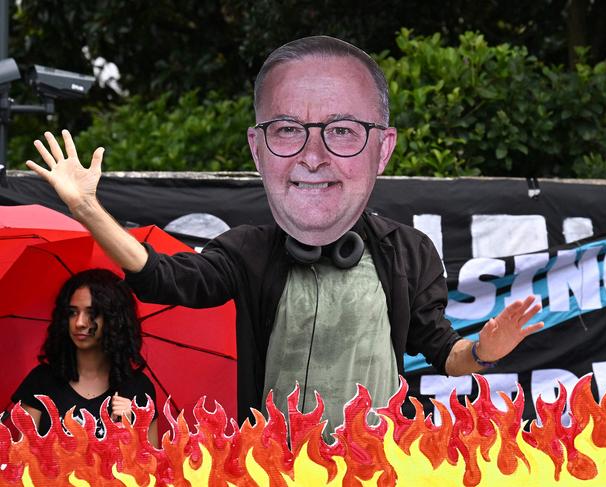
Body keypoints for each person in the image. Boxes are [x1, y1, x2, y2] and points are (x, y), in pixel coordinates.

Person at [25, 36, 543, 434]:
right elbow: (163, 277)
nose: (313, 157)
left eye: (341, 131)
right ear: (259, 148)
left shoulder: (407, 253)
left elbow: (443, 352)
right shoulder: (248, 251)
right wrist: (87, 209)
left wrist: (483, 352)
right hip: (274, 464)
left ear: (382, 149)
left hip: (381, 462)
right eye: (289, 130)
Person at [12, 269, 159, 446]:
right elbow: (21, 461)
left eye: (92, 313)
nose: (80, 322)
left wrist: (132, 432)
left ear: (114, 319)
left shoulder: (137, 389)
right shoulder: (42, 381)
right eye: (73, 312)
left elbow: (150, 470)